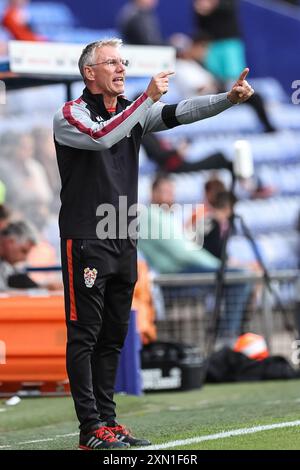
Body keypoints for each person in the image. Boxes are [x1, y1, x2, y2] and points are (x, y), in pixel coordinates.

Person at [53, 37, 254, 450]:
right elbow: (103, 137)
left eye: (122, 62)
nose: (120, 68)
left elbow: (181, 112)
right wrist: (144, 98)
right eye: (111, 62)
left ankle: (108, 422)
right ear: (89, 73)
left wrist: (228, 100)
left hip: (124, 237)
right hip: (86, 239)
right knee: (85, 335)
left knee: (113, 336)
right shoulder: (70, 114)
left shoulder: (134, 112)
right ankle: (89, 428)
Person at [139, 174, 252, 342]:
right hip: (176, 275)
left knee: (240, 276)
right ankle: (227, 340)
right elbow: (183, 252)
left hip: (180, 272)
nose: (170, 195)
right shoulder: (151, 215)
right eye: (164, 191)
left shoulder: (164, 216)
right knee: (239, 277)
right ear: (153, 193)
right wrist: (221, 265)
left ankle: (228, 336)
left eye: (171, 191)